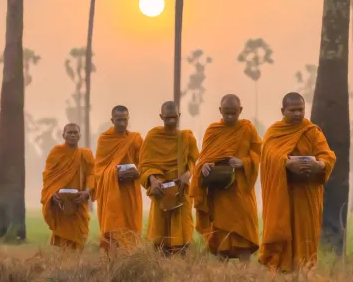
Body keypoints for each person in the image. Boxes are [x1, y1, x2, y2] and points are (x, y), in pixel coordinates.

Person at [258, 92, 336, 272]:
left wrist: (319, 164)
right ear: (283, 110)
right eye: (292, 110)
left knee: (305, 237)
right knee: (284, 234)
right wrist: (286, 163)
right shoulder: (274, 132)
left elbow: (327, 154)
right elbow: (268, 156)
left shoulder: (312, 131)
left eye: (301, 110)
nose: (297, 114)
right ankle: (281, 271)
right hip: (284, 194)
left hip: (307, 195)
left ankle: (305, 273)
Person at [190, 94, 261, 263]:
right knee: (221, 230)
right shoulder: (212, 131)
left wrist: (242, 162)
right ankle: (221, 274)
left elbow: (258, 153)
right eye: (226, 113)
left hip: (241, 188)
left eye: (234, 113)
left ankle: (245, 273)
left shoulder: (248, 128)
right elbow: (204, 158)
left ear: (240, 111)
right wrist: (204, 166)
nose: (230, 116)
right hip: (220, 190)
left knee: (244, 228)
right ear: (220, 110)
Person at [139, 101, 199, 256]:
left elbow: (193, 162)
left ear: (179, 116)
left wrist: (188, 174)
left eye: (174, 117)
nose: (171, 121)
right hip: (161, 192)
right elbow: (144, 165)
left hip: (181, 191)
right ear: (161, 117)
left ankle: (181, 273)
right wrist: (152, 180)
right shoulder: (153, 137)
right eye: (167, 118)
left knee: (183, 237)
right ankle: (162, 271)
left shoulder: (187, 137)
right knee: (160, 239)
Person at [94, 105, 144, 256]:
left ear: (128, 119)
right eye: (118, 120)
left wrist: (136, 172)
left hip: (130, 191)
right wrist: (114, 173)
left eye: (124, 120)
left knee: (131, 226)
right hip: (111, 193)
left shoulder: (135, 138)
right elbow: (99, 169)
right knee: (112, 227)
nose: (122, 123)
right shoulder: (104, 139)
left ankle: (130, 260)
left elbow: (143, 163)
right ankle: (111, 261)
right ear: (112, 120)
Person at [41, 123, 95, 251]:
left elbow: (92, 174)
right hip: (61, 203)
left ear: (79, 135)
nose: (72, 135)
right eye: (69, 132)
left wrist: (86, 192)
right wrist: (52, 194)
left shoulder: (85, 154)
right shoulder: (56, 153)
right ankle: (63, 266)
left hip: (79, 202)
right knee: (63, 243)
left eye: (75, 132)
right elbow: (48, 177)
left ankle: (76, 267)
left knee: (79, 237)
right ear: (63, 135)